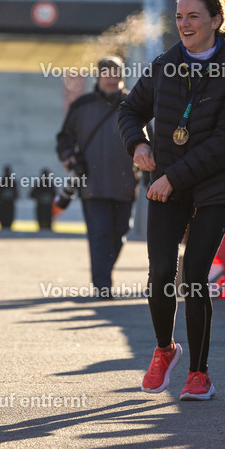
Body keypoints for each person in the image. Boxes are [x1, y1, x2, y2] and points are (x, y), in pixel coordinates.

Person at [117, 0, 225, 400]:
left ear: (216, 21)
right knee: (161, 272)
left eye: (193, 16)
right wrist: (137, 145)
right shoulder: (164, 65)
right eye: (179, 16)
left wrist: (173, 177)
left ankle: (199, 374)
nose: (184, 24)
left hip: (216, 186)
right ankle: (165, 349)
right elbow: (129, 110)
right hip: (168, 186)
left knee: (194, 276)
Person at [56, 56, 139, 296]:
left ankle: (103, 273)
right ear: (99, 76)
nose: (112, 79)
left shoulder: (134, 104)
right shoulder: (82, 106)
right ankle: (102, 285)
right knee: (99, 233)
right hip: (91, 184)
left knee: (119, 233)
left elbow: (149, 139)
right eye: (107, 74)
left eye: (116, 74)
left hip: (125, 184)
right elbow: (64, 138)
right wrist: (69, 157)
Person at [0, 165, 18, 230]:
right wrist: (2, 197)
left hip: (9, 206)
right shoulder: (1, 182)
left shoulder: (12, 183)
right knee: (3, 221)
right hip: (3, 205)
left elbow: (16, 194)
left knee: (8, 222)